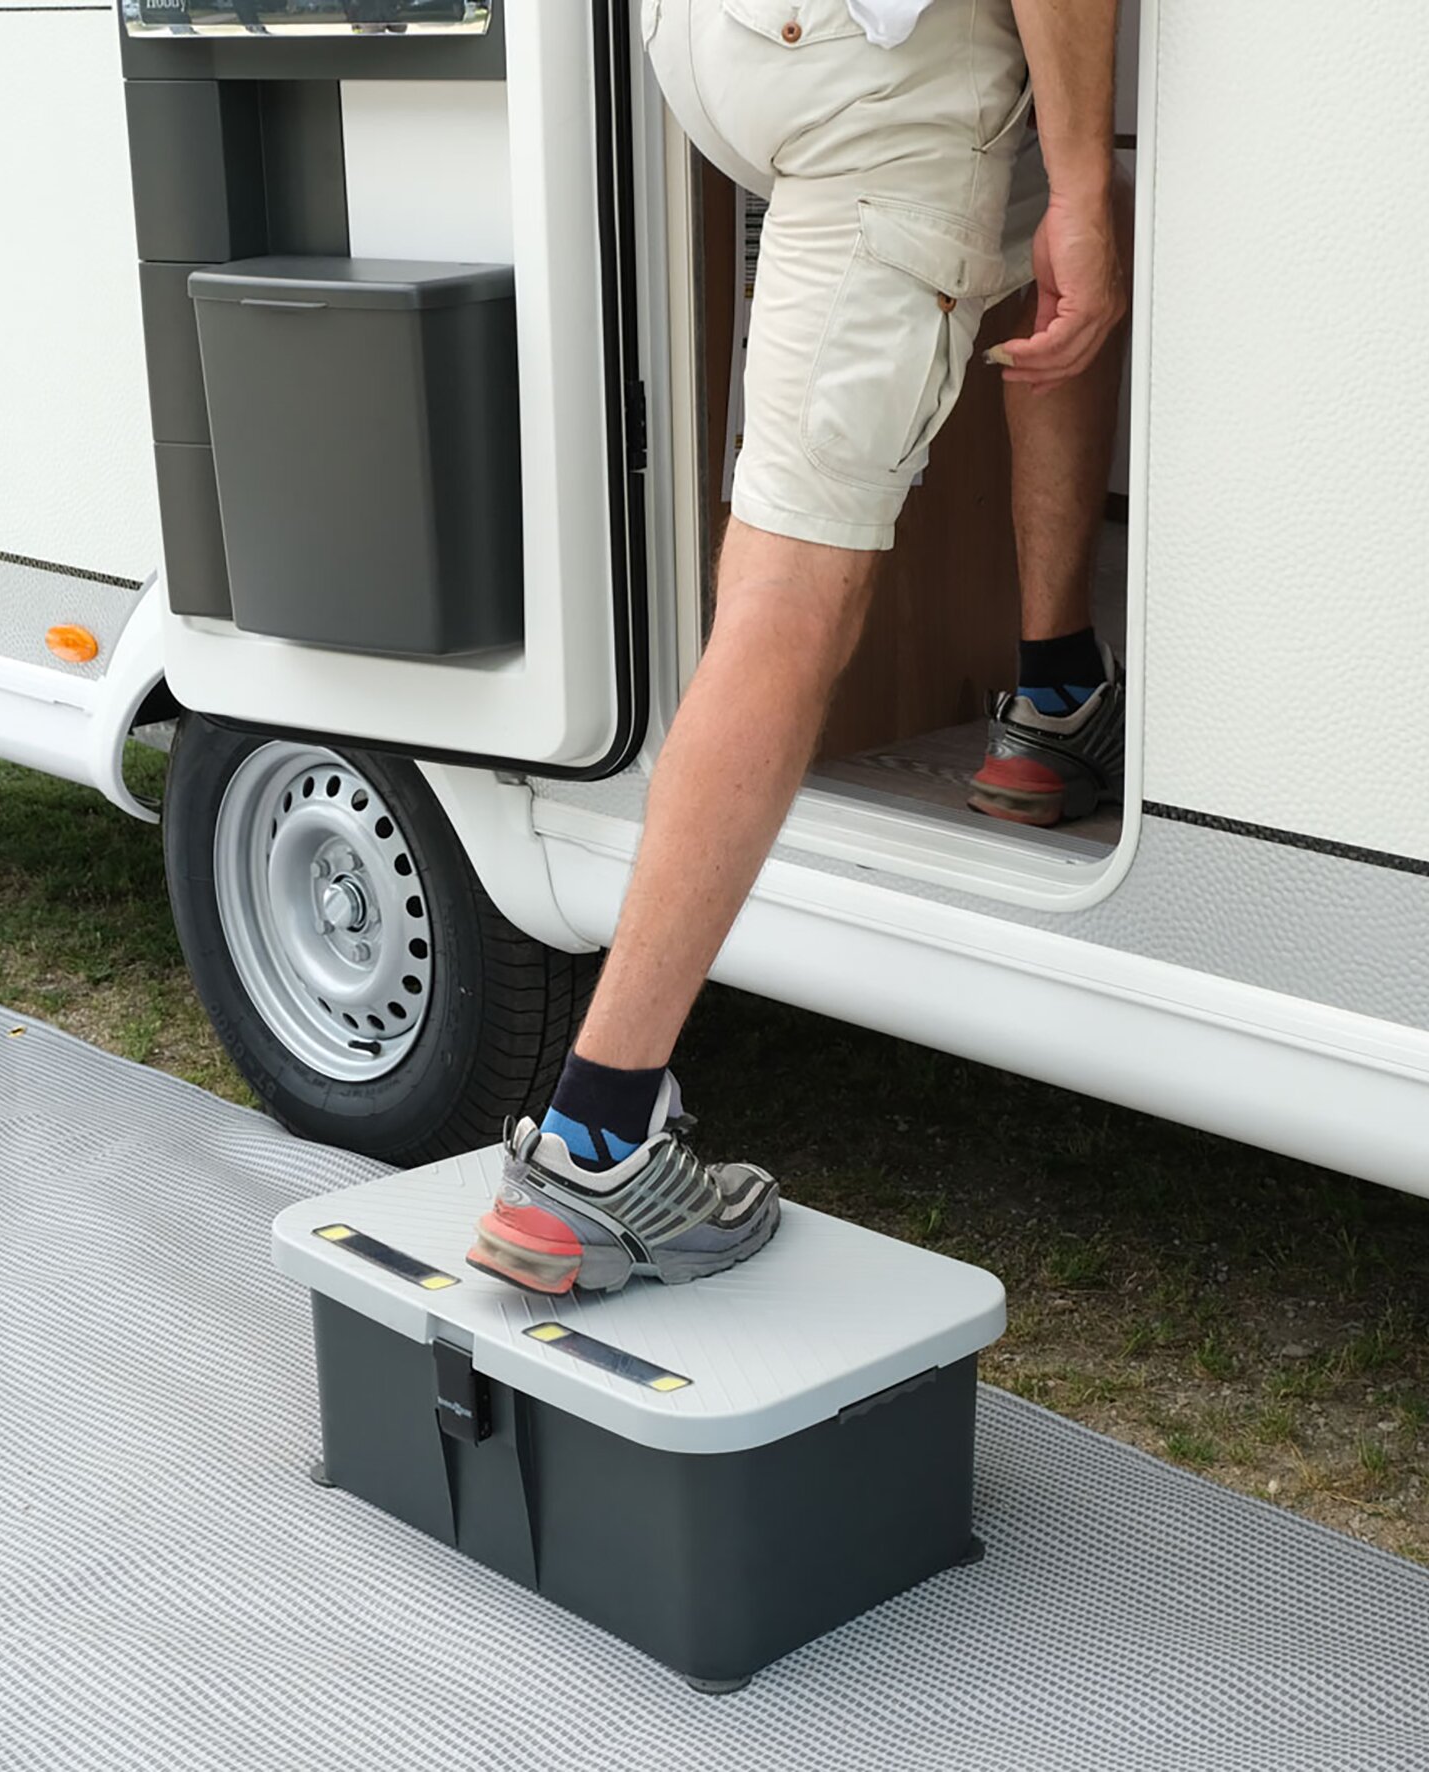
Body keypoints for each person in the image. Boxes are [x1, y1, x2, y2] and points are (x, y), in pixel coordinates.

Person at [465, 0, 1131, 1295]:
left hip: (730, 41)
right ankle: (594, 1146)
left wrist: (1073, 188)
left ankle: (1056, 690)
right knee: (790, 598)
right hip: (866, 77)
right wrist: (1087, 202)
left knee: (1047, 215)